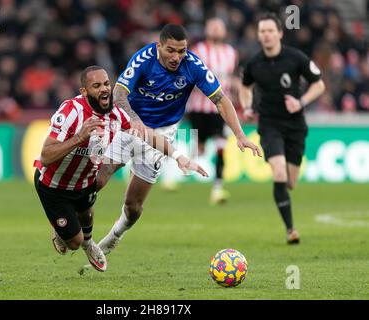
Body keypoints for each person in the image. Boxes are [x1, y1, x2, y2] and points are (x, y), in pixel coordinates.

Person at [96, 24, 261, 255]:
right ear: (159, 46)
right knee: (98, 180)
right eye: (171, 50)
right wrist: (133, 119)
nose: (177, 57)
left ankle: (115, 236)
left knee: (133, 207)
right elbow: (119, 93)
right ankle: (73, 227)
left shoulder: (193, 66)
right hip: (128, 122)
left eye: (182, 51)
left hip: (162, 132)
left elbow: (221, 100)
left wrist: (240, 135)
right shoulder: (143, 59)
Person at [33, 66, 207, 272]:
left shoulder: (116, 114)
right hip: (54, 185)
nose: (104, 89)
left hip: (85, 182)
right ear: (84, 92)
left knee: (86, 215)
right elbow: (45, 157)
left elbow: (147, 134)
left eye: (106, 84)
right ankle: (64, 233)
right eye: (96, 86)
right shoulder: (71, 112)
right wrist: (79, 137)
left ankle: (90, 246)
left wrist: (179, 157)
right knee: (73, 242)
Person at [239, 13, 326, 244]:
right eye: (262, 31)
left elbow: (319, 84)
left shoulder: (296, 58)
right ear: (258, 36)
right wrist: (247, 107)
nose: (266, 35)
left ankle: (286, 200)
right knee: (278, 172)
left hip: (296, 125)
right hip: (269, 124)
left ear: (279, 33)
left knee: (290, 182)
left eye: (270, 31)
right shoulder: (254, 63)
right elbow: (245, 87)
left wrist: (301, 102)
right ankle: (290, 230)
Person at [186, 17, 239, 204]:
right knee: (198, 147)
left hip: (220, 109)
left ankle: (218, 187)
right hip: (198, 108)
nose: (216, 30)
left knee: (220, 145)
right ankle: (172, 174)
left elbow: (231, 79)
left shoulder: (231, 52)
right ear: (207, 30)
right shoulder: (198, 50)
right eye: (213, 26)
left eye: (219, 27)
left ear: (224, 31)